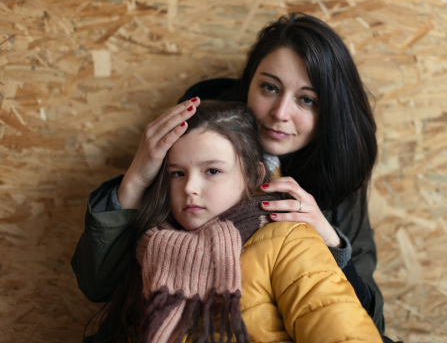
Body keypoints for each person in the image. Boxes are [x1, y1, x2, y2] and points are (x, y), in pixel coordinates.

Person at [72, 13, 385, 334]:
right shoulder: (191, 145)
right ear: (247, 84)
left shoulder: (336, 176)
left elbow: (367, 323)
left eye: (306, 100)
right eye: (269, 87)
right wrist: (136, 178)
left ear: (328, 111)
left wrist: (332, 242)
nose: (280, 113)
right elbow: (96, 285)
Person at [92, 101, 381, 343]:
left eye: (212, 171)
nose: (190, 187)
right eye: (177, 173)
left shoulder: (288, 241)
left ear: (255, 176)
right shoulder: (153, 249)